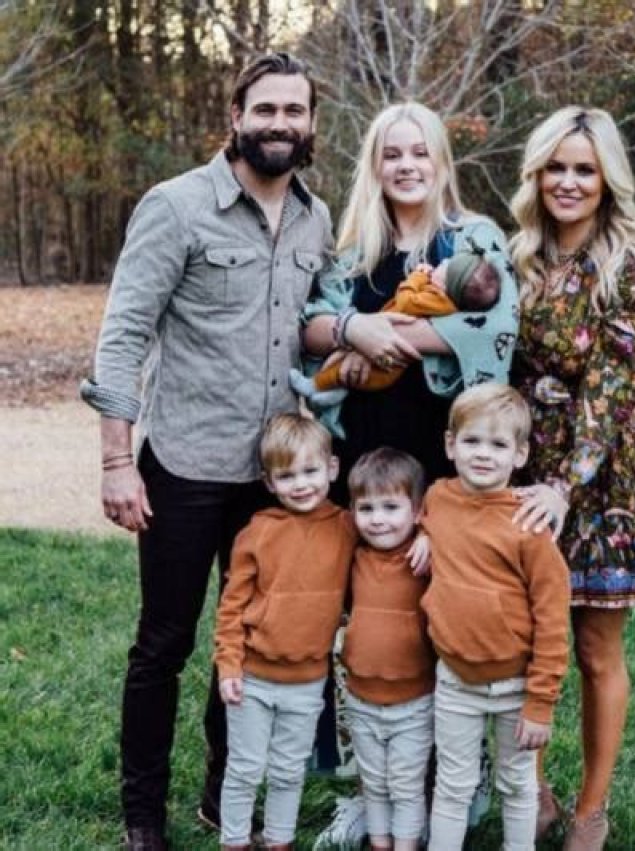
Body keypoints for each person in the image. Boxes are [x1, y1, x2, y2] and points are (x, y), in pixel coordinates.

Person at [79, 52, 332, 851]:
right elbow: (122, 336)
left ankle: (225, 799)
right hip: (184, 468)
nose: (280, 124)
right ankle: (143, 814)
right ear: (236, 115)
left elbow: (313, 330)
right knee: (165, 644)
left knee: (254, 641)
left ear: (312, 123)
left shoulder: (316, 219)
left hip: (274, 478)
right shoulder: (176, 206)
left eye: (294, 111)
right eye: (266, 109)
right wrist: (117, 461)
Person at [302, 101, 518, 845]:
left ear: (440, 161)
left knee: (440, 615)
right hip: (363, 465)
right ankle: (374, 787)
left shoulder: (473, 238)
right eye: (391, 153)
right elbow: (309, 327)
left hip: (442, 459)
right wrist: (350, 330)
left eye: (419, 152)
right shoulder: (352, 251)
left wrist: (392, 335)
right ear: (375, 164)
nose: (406, 165)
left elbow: (499, 323)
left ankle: (455, 781)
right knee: (369, 621)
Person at [509, 106, 635, 850]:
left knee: (592, 648)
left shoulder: (632, 267)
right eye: (555, 167)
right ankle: (533, 794)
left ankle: (590, 810)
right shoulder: (518, 257)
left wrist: (564, 484)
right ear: (536, 174)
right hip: (520, 466)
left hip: (598, 475)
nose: (568, 182)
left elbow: (611, 390)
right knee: (522, 639)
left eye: (584, 169)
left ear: (607, 178)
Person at [419, 383, 570, 851]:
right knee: (453, 784)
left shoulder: (528, 525)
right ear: (450, 445)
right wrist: (424, 533)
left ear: (520, 455)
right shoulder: (438, 499)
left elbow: (552, 621)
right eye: (472, 441)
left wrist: (541, 702)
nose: (483, 454)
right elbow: (437, 519)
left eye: (498, 444)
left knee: (517, 784)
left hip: (515, 686)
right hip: (454, 680)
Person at [214, 414, 356, 851]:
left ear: (332, 469)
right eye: (287, 476)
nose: (301, 484)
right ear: (269, 482)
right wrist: (228, 665)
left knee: (289, 770)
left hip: (308, 680)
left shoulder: (347, 527)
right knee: (244, 768)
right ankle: (235, 841)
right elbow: (231, 606)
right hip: (252, 678)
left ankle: (279, 840)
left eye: (310, 471)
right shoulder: (257, 532)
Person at [340, 448, 435, 851]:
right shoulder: (354, 556)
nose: (378, 519)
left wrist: (431, 534)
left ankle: (406, 844)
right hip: (361, 697)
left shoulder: (425, 559)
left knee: (406, 785)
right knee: (374, 782)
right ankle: (380, 842)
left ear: (417, 511)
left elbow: (460, 524)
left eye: (391, 507)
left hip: (413, 702)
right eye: (367, 508)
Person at [290, 246, 500, 415]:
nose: (443, 261)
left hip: (388, 372)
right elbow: (308, 329)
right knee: (344, 370)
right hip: (363, 414)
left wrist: (417, 277)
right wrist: (352, 330)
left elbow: (405, 300)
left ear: (445, 284)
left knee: (343, 372)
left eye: (447, 265)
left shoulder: (438, 298)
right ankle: (332, 391)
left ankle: (313, 385)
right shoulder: (356, 248)